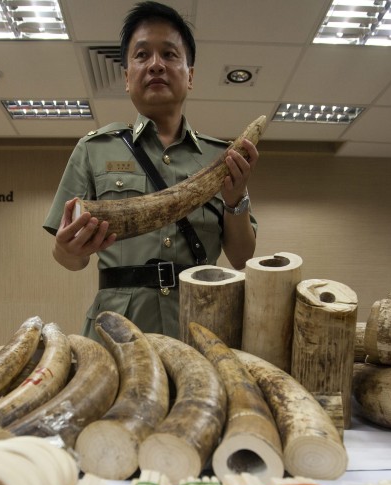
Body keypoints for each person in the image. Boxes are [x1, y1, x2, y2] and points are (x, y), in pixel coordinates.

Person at [42, 0, 259, 340]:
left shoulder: (221, 158)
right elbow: (69, 259)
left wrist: (235, 200)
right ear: (127, 77)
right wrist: (67, 250)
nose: (156, 64)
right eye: (142, 55)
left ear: (190, 76)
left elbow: (242, 257)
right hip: (117, 332)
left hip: (200, 326)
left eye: (169, 54)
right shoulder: (94, 149)